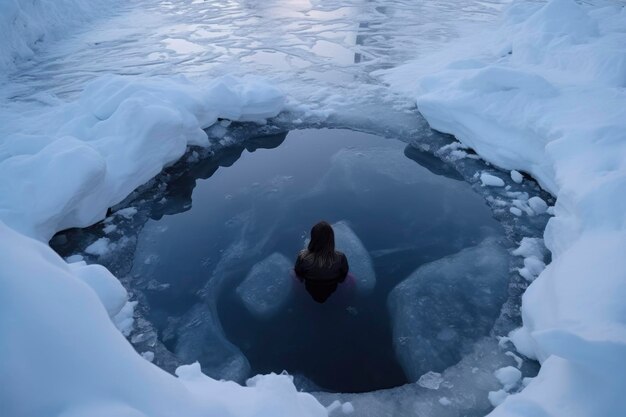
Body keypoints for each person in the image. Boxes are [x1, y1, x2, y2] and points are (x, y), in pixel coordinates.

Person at [294, 221, 349, 303]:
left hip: (311, 286)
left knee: (292, 272)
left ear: (313, 238)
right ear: (331, 239)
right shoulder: (340, 257)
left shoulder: (303, 256)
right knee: (351, 277)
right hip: (331, 286)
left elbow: (298, 273)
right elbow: (343, 274)